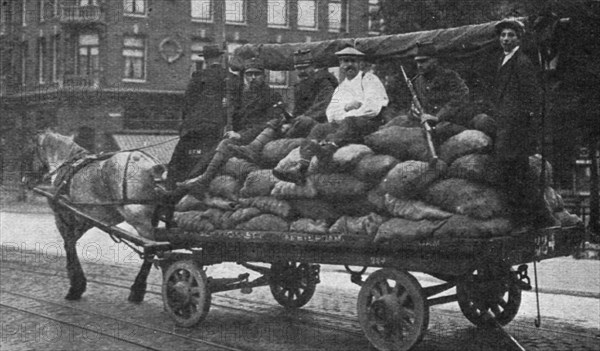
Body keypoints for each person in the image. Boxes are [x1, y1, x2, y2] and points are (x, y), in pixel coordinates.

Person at [275, 46, 389, 183]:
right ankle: (302, 166)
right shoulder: (342, 87)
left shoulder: (369, 79)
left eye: (352, 61)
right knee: (319, 129)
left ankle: (326, 150)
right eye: (344, 62)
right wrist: (347, 108)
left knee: (349, 121)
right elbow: (331, 112)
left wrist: (349, 112)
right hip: (343, 127)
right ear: (340, 65)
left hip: (368, 124)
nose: (348, 65)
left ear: (360, 63)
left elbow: (372, 108)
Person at [177, 56, 283, 191]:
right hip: (241, 136)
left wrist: (240, 136)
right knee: (208, 150)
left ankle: (203, 180)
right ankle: (190, 180)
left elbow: (269, 123)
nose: (253, 78)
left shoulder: (272, 96)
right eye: (249, 74)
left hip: (255, 140)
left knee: (225, 145)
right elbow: (236, 118)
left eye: (257, 74)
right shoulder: (243, 95)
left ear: (264, 76)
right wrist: (229, 107)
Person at [491, 18, 557, 227]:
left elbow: (534, 98)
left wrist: (528, 131)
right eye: (503, 35)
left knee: (517, 177)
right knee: (512, 176)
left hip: (516, 132)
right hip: (505, 129)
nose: (506, 39)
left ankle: (529, 221)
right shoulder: (503, 60)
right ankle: (532, 219)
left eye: (511, 35)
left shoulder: (521, 63)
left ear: (519, 38)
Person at [227, 49, 338, 162]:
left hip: (317, 125)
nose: (302, 71)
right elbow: (298, 111)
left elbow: (322, 108)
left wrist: (295, 121)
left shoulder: (325, 84)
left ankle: (253, 147)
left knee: (291, 123)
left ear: (313, 67)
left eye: (305, 67)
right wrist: (288, 119)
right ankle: (253, 148)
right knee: (277, 121)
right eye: (299, 68)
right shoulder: (301, 85)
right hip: (302, 123)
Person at [164, 45, 227, 190]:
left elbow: (188, 103)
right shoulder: (228, 77)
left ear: (205, 59)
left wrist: (184, 125)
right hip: (218, 128)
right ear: (220, 58)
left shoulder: (199, 76)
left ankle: (170, 188)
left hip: (196, 127)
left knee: (178, 160)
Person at [409, 42, 469, 136]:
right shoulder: (417, 81)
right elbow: (417, 103)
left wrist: (438, 117)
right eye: (417, 62)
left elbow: (460, 98)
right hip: (429, 122)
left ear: (435, 61)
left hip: (453, 121)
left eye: (424, 61)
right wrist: (414, 111)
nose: (419, 65)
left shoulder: (449, 76)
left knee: (442, 129)